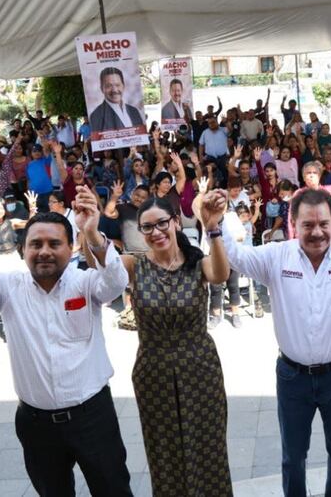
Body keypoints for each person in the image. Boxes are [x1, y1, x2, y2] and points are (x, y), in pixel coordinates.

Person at [0, 186, 134, 496]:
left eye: (54, 243)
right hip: (37, 426)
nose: (45, 251)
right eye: (36, 244)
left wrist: (93, 233)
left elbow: (115, 281)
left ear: (71, 247)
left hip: (93, 417)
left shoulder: (85, 282)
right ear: (23, 250)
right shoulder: (8, 288)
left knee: (113, 491)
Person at [217, 188, 331, 497]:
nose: (317, 232)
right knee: (293, 459)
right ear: (294, 224)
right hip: (292, 377)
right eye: (308, 225)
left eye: (323, 224)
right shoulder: (277, 256)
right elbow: (236, 257)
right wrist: (216, 223)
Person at [105, 193, 232, 496]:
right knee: (164, 455)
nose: (156, 232)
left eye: (162, 223)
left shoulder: (197, 264)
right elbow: (100, 260)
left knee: (208, 450)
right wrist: (87, 230)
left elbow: (220, 274)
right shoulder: (133, 265)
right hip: (154, 373)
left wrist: (212, 227)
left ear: (175, 222)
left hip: (200, 369)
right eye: (147, 227)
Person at [88, 67, 145, 132]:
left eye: (117, 85)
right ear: (102, 88)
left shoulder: (134, 111)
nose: (114, 90)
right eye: (108, 86)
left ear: (123, 86)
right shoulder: (96, 115)